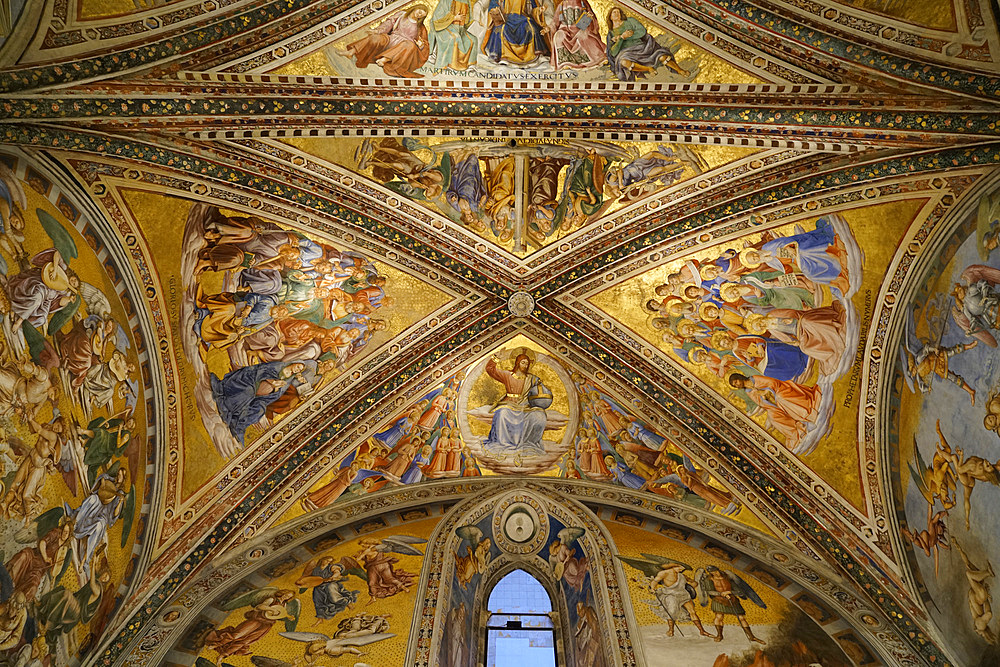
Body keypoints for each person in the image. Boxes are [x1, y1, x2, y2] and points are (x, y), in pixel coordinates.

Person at [481, 351, 551, 456]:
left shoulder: (531, 379)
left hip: (526, 405)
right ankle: (502, 444)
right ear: (517, 363)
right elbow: (491, 370)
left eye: (527, 364)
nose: (525, 365)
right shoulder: (507, 375)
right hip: (509, 403)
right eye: (523, 363)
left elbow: (541, 390)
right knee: (502, 413)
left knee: (539, 415)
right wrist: (495, 358)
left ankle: (529, 443)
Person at [338, 6, 431, 78]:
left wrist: (421, 46)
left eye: (421, 16)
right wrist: (377, 31)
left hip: (403, 49)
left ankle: (385, 59)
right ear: (415, 8)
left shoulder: (420, 27)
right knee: (376, 38)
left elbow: (425, 44)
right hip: (391, 39)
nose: (419, 15)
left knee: (409, 45)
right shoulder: (401, 15)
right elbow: (388, 24)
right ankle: (351, 52)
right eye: (419, 12)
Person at [605, 8, 686, 81]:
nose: (617, 14)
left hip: (641, 47)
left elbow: (642, 31)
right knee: (623, 62)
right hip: (627, 54)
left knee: (661, 56)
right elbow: (613, 52)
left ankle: (679, 70)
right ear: (610, 17)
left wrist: (628, 36)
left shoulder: (630, 21)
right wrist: (622, 38)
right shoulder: (611, 34)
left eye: (618, 12)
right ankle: (648, 68)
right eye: (614, 12)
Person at [482, 0, 550, 64]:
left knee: (531, 28)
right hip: (506, 18)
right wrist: (494, 9)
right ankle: (498, 55)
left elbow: (534, 8)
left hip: (522, 18)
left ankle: (535, 53)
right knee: (500, 30)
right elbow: (493, 3)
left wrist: (539, 10)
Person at [549, 0, 605, 69]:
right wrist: (549, 27)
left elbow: (591, 16)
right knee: (558, 36)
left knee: (584, 36)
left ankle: (595, 59)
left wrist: (589, 17)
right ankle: (565, 62)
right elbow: (555, 21)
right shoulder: (561, 5)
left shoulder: (583, 2)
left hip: (581, 29)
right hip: (566, 31)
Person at [430, 0, 479, 70]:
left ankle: (471, 65)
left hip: (460, 29)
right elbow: (437, 17)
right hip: (444, 28)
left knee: (473, 39)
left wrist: (466, 20)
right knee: (455, 37)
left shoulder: (466, 1)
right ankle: (450, 64)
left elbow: (468, 18)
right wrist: (454, 18)